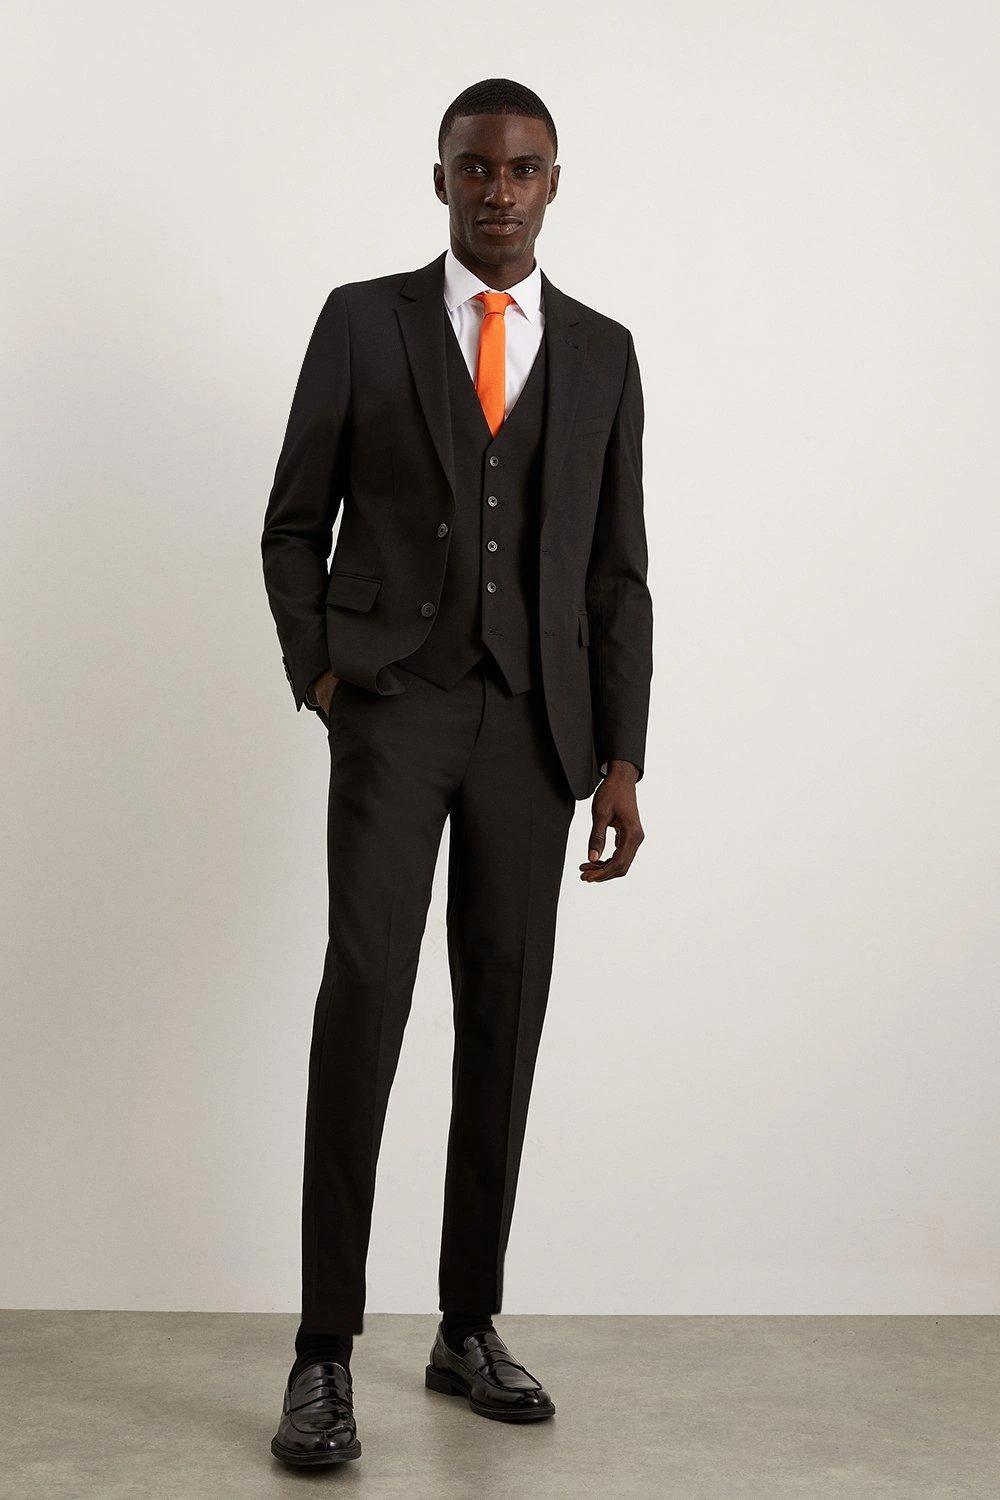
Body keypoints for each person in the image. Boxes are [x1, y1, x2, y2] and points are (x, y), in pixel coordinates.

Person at [261, 76, 653, 1467]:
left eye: (523, 168)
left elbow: (617, 573)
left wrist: (621, 754)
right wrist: (325, 677)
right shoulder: (361, 322)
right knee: (364, 1000)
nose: (499, 191)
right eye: (476, 168)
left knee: (504, 1016)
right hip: (395, 708)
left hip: (534, 733)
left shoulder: (602, 353)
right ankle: (322, 1353)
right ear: (440, 181)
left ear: (554, 184)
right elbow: (292, 521)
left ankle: (466, 1326)